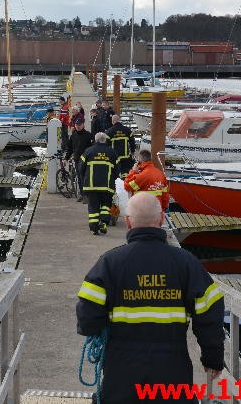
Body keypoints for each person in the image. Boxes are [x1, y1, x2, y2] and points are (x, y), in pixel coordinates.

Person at [76, 192, 225, 404]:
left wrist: (98, 328)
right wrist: (213, 358)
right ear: (161, 219)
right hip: (172, 368)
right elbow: (210, 311)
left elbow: (87, 317)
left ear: (128, 222)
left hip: (121, 369)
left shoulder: (109, 262)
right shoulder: (186, 263)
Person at [78, 132, 118, 235]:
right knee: (106, 205)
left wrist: (84, 180)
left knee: (93, 206)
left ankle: (93, 228)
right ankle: (103, 223)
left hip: (91, 186)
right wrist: (113, 179)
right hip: (107, 185)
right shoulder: (112, 153)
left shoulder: (88, 151)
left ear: (95, 140)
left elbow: (81, 168)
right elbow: (117, 170)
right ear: (105, 140)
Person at [65, 118, 93, 203]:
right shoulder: (73, 136)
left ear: (83, 125)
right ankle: (82, 194)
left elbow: (92, 148)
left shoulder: (88, 135)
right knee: (80, 177)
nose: (78, 126)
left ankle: (86, 195)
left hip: (87, 161)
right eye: (76, 125)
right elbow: (70, 148)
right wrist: (66, 158)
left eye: (79, 125)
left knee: (86, 177)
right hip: (77, 160)